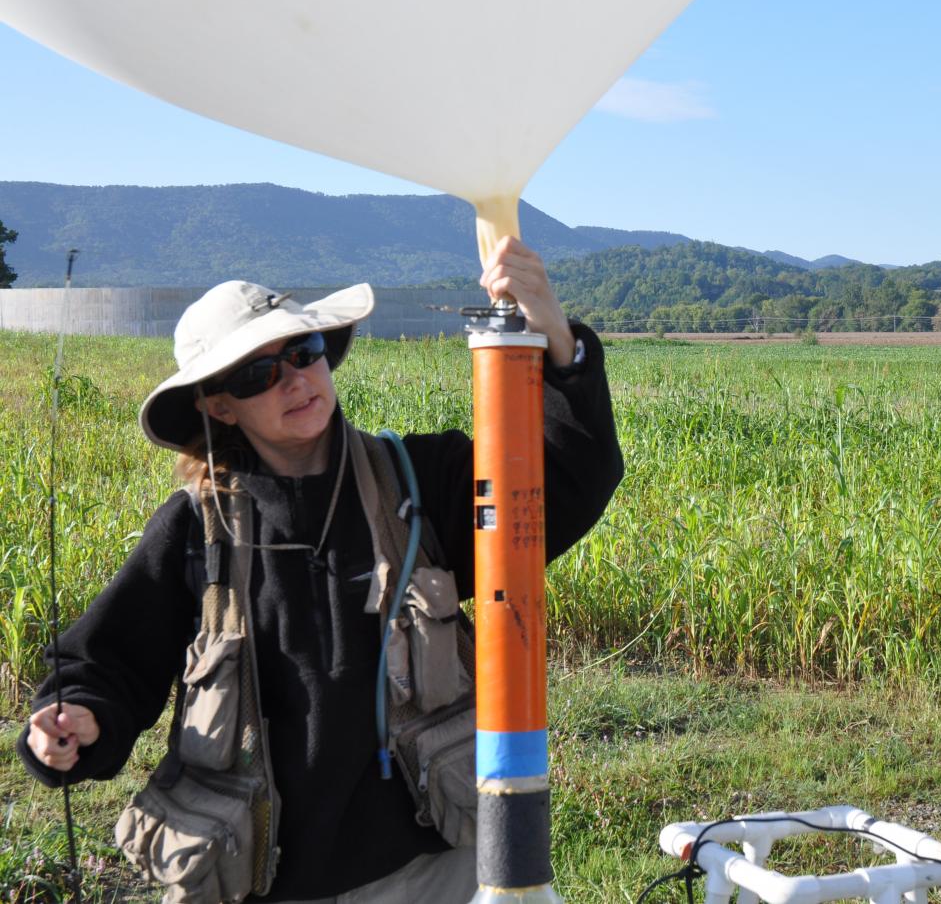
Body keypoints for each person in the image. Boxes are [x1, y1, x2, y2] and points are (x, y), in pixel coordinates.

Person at [18, 238, 624, 902]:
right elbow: (107, 663)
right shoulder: (196, 530)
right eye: (258, 374)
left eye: (303, 353)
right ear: (219, 406)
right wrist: (77, 720)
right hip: (266, 883)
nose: (295, 379)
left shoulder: (418, 482)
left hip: (433, 868)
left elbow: (564, 485)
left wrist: (556, 337)